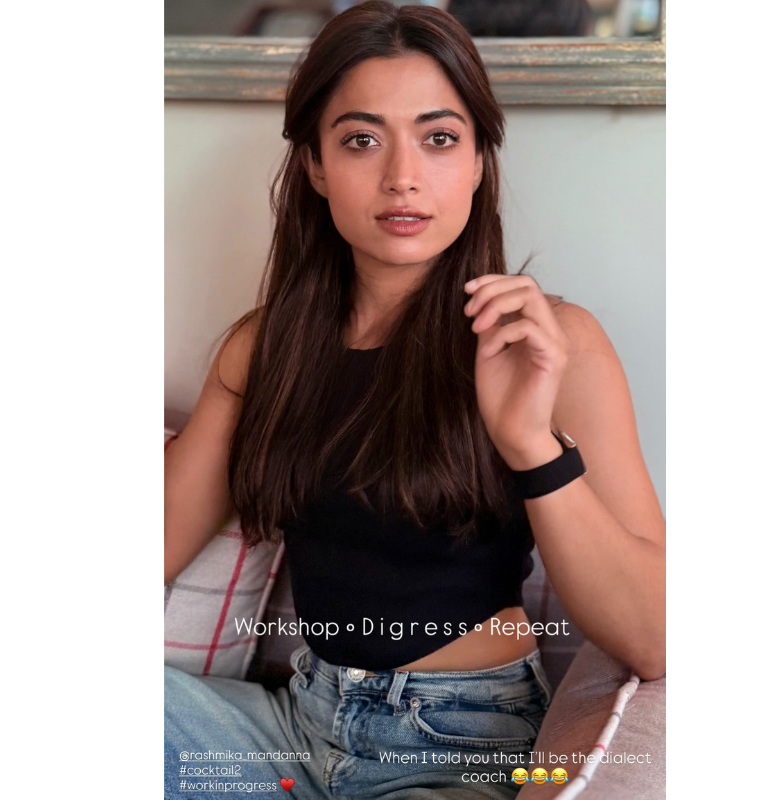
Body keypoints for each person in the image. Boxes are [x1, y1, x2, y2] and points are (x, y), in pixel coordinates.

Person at [164, 2, 665, 798]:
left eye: (439, 138)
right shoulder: (266, 350)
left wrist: (530, 445)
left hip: (459, 741)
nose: (403, 175)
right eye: (361, 140)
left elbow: (655, 638)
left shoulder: (551, 344)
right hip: (293, 732)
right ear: (316, 165)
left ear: (478, 161)